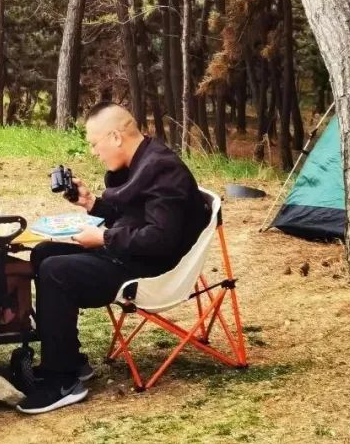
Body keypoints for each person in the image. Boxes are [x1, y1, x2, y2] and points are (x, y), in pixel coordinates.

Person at [17, 102, 211, 415]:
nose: (94, 152)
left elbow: (160, 239)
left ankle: (62, 381)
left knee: (56, 270)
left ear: (116, 137)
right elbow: (132, 215)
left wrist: (104, 238)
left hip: (150, 271)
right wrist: (91, 203)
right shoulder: (140, 162)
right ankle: (70, 360)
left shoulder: (163, 169)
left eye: (95, 144)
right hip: (129, 256)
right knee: (44, 252)